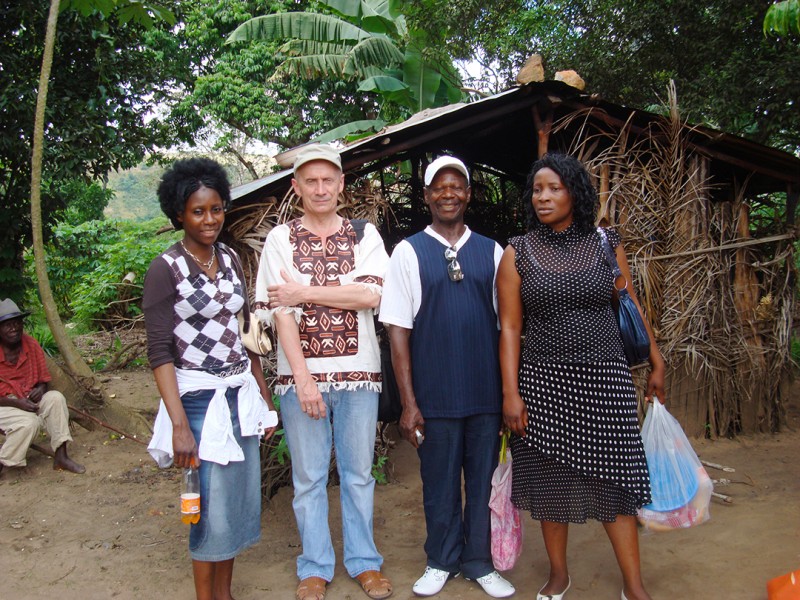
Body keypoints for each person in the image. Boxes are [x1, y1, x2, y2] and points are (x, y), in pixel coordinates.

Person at [497, 153, 666, 600]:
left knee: (617, 478)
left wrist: (656, 358)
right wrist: (511, 394)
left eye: (554, 188)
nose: (544, 197)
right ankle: (558, 575)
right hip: (543, 381)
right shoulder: (519, 251)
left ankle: (634, 585)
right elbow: (511, 328)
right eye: (537, 190)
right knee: (550, 482)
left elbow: (628, 303)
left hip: (604, 378)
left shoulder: (605, 243)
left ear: (575, 191)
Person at [256, 144, 392, 600]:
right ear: (296, 188)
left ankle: (364, 562)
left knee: (358, 474)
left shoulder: (364, 234)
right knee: (309, 478)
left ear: (340, 186)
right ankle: (314, 565)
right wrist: (302, 377)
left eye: (327, 180)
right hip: (302, 380)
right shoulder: (280, 239)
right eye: (309, 181)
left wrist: (305, 290)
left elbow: (371, 297)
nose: (320, 189)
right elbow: (280, 312)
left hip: (359, 376)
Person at [379, 156, 515, 599]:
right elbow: (398, 330)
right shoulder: (408, 251)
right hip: (433, 395)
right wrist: (409, 401)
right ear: (427, 196)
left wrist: (505, 394)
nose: (448, 193)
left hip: (484, 392)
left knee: (481, 481)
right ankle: (440, 559)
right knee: (438, 483)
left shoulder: (493, 252)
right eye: (439, 187)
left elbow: (506, 327)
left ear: (469, 194)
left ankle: (478, 561)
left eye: (457, 186)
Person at [143, 158, 277, 600]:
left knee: (235, 504)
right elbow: (160, 351)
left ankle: (225, 593)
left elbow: (244, 332)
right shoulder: (166, 269)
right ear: (178, 213)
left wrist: (261, 396)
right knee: (207, 510)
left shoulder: (231, 258)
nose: (209, 220)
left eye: (216, 209)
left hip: (238, 395)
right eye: (198, 211)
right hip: (198, 401)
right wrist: (180, 425)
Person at [0, 299, 85, 476]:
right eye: (7, 325)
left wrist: (41, 388)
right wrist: (17, 404)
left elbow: (43, 379)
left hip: (28, 399)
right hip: (5, 404)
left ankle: (61, 457)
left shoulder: (30, 344)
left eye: (17, 323)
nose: (14, 328)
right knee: (29, 423)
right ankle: (4, 461)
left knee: (55, 398)